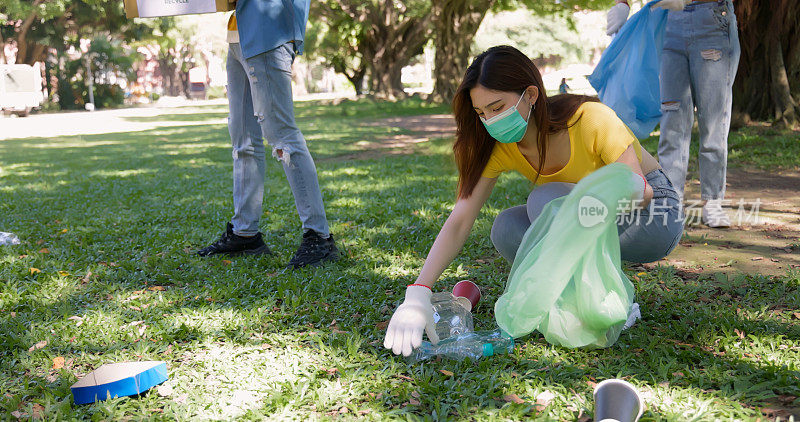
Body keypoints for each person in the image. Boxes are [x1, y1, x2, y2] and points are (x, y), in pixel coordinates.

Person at [383, 46, 684, 357]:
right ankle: (576, 299)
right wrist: (418, 293)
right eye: (481, 113)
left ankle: (608, 298)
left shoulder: (590, 119)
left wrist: (581, 209)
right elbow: (461, 219)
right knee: (507, 228)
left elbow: (642, 193)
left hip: (653, 216)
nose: (490, 121)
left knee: (546, 200)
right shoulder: (500, 147)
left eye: (497, 107)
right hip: (586, 216)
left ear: (530, 94)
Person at [198, 0, 339, 268]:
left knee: (283, 138)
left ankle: (320, 237)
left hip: (268, 34)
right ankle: (245, 233)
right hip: (240, 36)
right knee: (244, 142)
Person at [607, 0, 740, 227]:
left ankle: (712, 202)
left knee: (714, 120)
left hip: (712, 20)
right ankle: (671, 202)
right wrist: (622, 3)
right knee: (672, 120)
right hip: (669, 23)